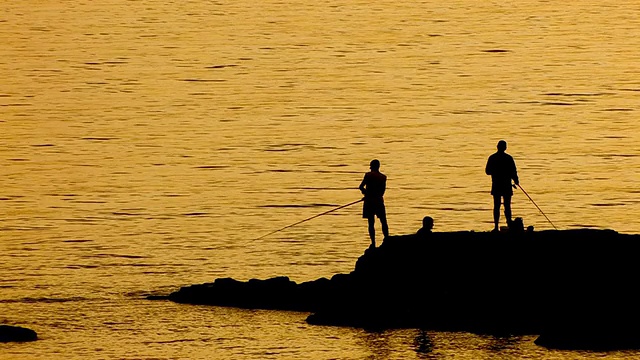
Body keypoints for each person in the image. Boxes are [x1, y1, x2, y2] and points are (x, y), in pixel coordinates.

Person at [485, 140, 519, 232]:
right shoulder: (509, 158)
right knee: (507, 206)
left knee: (497, 205)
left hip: (496, 184)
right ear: (505, 148)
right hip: (506, 185)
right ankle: (509, 224)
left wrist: (496, 172)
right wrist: (516, 181)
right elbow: (513, 171)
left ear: (497, 147)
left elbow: (487, 171)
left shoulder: (492, 158)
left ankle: (496, 227)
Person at [359, 159, 389, 248]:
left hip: (369, 202)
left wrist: (366, 194)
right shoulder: (383, 177)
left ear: (371, 166)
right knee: (383, 221)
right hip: (379, 201)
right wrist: (373, 195)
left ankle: (373, 243)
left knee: (371, 223)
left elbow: (361, 187)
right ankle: (387, 238)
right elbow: (382, 192)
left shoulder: (368, 175)